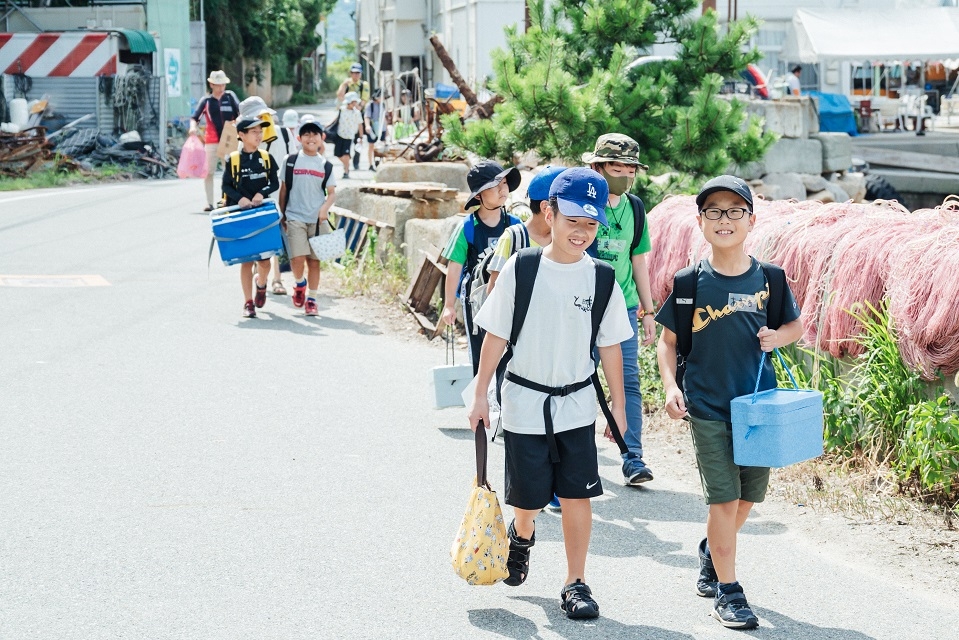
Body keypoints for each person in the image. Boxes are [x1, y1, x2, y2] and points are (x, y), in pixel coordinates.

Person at [468, 167, 633, 620]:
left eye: (591, 223)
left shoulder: (601, 278)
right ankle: (522, 534)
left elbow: (610, 346)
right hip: (524, 403)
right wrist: (480, 394)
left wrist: (618, 407)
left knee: (578, 495)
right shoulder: (522, 269)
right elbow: (496, 335)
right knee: (529, 499)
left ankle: (575, 581)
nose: (582, 232)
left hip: (576, 404)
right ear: (549, 212)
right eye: (573, 220)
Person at [654, 175, 803, 630]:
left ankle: (710, 552)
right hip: (708, 407)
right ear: (701, 222)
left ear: (751, 220)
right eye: (714, 212)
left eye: (735, 211)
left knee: (747, 499)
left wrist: (778, 337)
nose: (725, 220)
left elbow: (795, 327)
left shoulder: (771, 278)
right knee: (724, 500)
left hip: (758, 409)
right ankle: (729, 590)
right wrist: (671, 386)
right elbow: (667, 343)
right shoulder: (689, 283)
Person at [583, 133, 657, 485]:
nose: (626, 176)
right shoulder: (583, 204)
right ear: (598, 168)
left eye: (631, 170)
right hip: (583, 306)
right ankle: (579, 456)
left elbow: (638, 261)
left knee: (628, 382)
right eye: (618, 168)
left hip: (623, 308)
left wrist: (648, 311)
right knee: (580, 379)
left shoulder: (636, 209)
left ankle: (633, 457)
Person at [440, 160, 522, 374]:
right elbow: (455, 267)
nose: (502, 189)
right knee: (480, 354)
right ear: (478, 196)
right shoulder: (467, 227)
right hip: (476, 302)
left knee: (510, 353)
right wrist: (449, 305)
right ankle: (480, 390)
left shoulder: (515, 225)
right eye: (494, 186)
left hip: (509, 298)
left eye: (504, 183)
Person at [278, 115, 337, 317]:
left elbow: (332, 193)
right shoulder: (290, 161)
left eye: (315, 135)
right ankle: (299, 283)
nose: (311, 138)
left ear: (321, 138)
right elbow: (284, 189)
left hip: (317, 220)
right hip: (294, 216)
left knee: (314, 262)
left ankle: (312, 299)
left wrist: (324, 209)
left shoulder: (326, 165)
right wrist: (282, 214)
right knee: (297, 258)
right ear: (299, 138)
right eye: (306, 134)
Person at [221, 116, 280, 318]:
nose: (258, 135)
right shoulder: (233, 159)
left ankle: (261, 284)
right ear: (242, 135)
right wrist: (240, 199)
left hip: (262, 214)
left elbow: (274, 183)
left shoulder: (266, 157)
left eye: (260, 131)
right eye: (254, 132)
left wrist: (261, 193)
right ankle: (248, 303)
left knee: (265, 261)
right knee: (246, 261)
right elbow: (226, 186)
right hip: (242, 216)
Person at [239, 96, 292, 296]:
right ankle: (261, 277)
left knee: (277, 238)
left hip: (280, 196)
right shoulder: (243, 141)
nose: (261, 121)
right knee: (259, 240)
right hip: (254, 200)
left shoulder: (284, 134)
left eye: (263, 116)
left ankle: (277, 279)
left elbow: (293, 165)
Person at [486, 165, 565, 295]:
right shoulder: (513, 238)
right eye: (567, 206)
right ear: (545, 208)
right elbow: (493, 292)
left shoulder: (563, 239)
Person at [189, 70, 240, 211]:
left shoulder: (230, 97)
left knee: (230, 171)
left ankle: (228, 200)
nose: (221, 87)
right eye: (218, 84)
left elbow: (240, 113)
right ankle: (210, 203)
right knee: (208, 172)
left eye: (223, 84)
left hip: (229, 140)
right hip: (211, 141)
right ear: (211, 85)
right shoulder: (206, 101)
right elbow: (195, 117)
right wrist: (192, 128)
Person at [333, 92, 364, 179]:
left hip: (349, 136)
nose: (354, 104)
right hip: (340, 134)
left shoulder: (357, 113)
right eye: (353, 102)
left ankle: (346, 171)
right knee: (337, 154)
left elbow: (360, 124)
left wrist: (361, 137)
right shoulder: (341, 110)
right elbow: (335, 119)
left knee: (346, 154)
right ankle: (346, 164)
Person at [363, 89, 385, 171]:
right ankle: (370, 164)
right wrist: (367, 126)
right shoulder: (370, 105)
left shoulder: (383, 105)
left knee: (382, 145)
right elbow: (367, 116)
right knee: (371, 146)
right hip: (372, 128)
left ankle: (380, 162)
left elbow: (384, 117)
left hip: (381, 128)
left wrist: (387, 131)